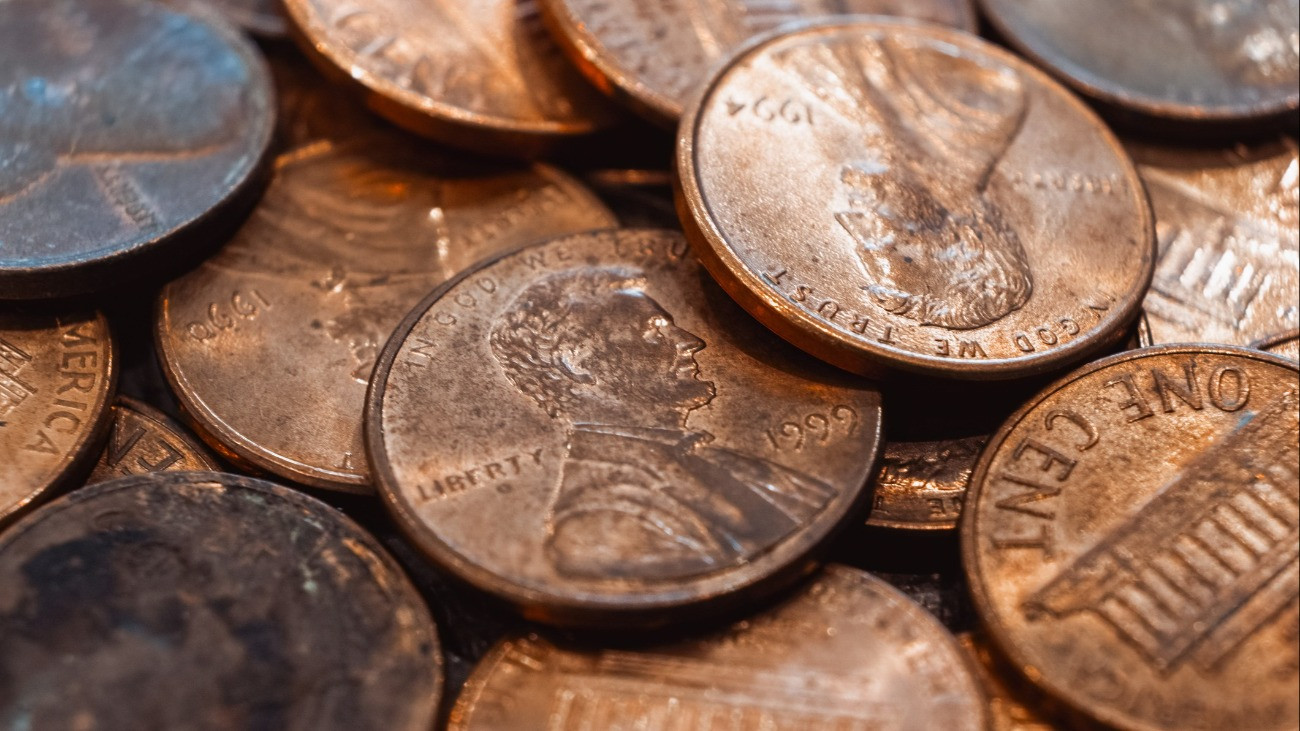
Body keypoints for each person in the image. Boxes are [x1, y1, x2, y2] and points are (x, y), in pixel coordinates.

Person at [490, 268, 838, 581]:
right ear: (577, 363)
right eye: (654, 332)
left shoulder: (722, 462)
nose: (691, 342)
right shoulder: (598, 528)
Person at [782, 32, 1034, 330]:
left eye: (866, 242)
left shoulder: (858, 126)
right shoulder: (982, 109)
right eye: (889, 243)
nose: (850, 218)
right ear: (962, 242)